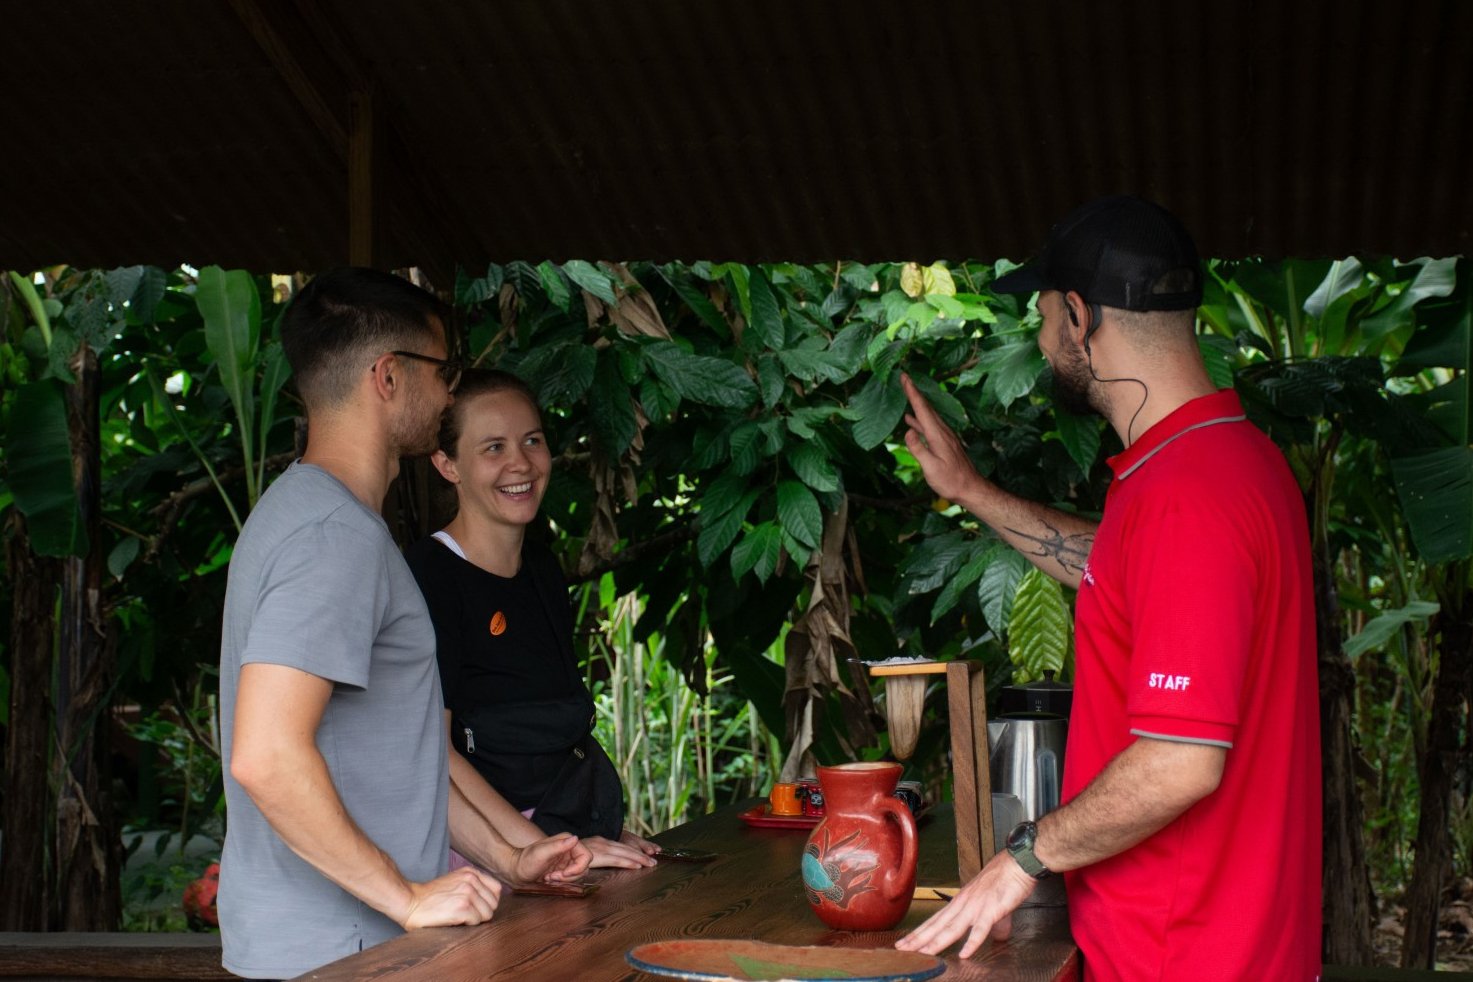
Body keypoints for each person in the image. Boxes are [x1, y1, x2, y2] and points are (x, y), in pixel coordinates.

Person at [894, 197, 1321, 979]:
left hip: (1183, 956)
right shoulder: (1231, 462)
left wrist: (1022, 857)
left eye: (1042, 316)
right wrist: (971, 491)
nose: (1040, 339)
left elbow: (1178, 763)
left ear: (1079, 316)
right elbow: (1126, 573)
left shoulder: (1185, 497)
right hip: (1227, 943)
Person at [218, 268, 591, 980]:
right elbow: (265, 754)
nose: (450, 393)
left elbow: (396, 758)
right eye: (443, 372)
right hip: (340, 950)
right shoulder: (333, 538)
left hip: (337, 943)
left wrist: (509, 857)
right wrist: (406, 898)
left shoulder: (306, 514)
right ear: (388, 376)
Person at [405, 368, 660, 869]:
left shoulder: (541, 566)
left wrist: (597, 832)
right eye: (493, 447)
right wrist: (550, 851)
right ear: (447, 464)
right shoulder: (429, 575)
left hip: (556, 833)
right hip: (484, 856)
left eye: (532, 440)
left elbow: (555, 729)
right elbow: (434, 753)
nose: (520, 463)